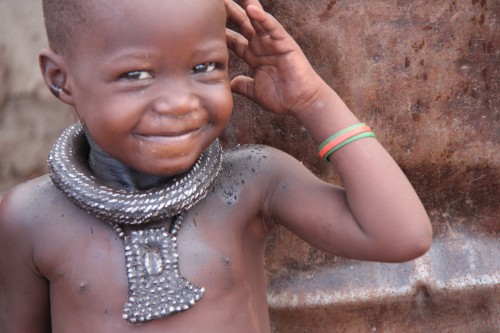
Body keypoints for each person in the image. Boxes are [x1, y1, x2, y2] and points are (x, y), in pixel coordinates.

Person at [0, 0, 432, 332]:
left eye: (204, 67)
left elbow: (401, 235)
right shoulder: (30, 218)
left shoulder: (252, 183)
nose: (180, 103)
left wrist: (311, 100)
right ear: (60, 79)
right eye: (136, 75)